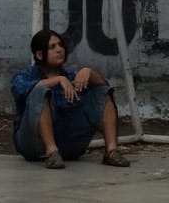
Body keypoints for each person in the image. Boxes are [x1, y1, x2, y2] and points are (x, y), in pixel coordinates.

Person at [10, 29, 130, 169]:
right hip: (32, 143)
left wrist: (90, 73)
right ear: (39, 54)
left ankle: (111, 151)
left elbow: (104, 92)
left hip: (68, 144)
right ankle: (51, 153)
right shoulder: (24, 75)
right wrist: (58, 80)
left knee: (102, 92)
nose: (59, 50)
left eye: (60, 45)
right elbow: (21, 89)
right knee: (39, 91)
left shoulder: (72, 77)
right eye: (52, 47)